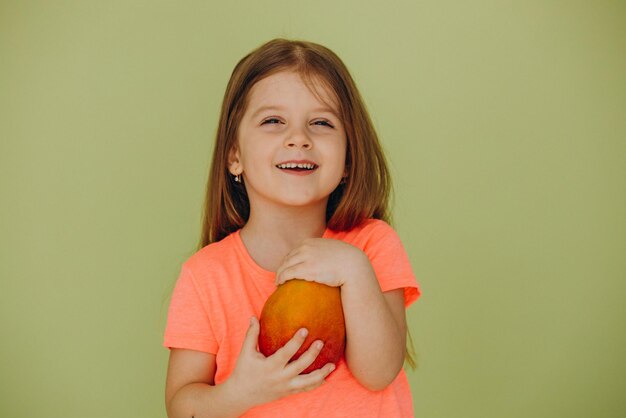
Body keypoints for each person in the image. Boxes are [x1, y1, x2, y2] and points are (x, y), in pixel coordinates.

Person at [163, 38, 422, 417]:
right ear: (234, 156)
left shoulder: (371, 245)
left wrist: (354, 271)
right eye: (273, 121)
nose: (298, 138)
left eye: (321, 123)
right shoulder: (206, 276)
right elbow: (180, 407)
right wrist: (240, 392)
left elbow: (380, 372)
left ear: (348, 158)